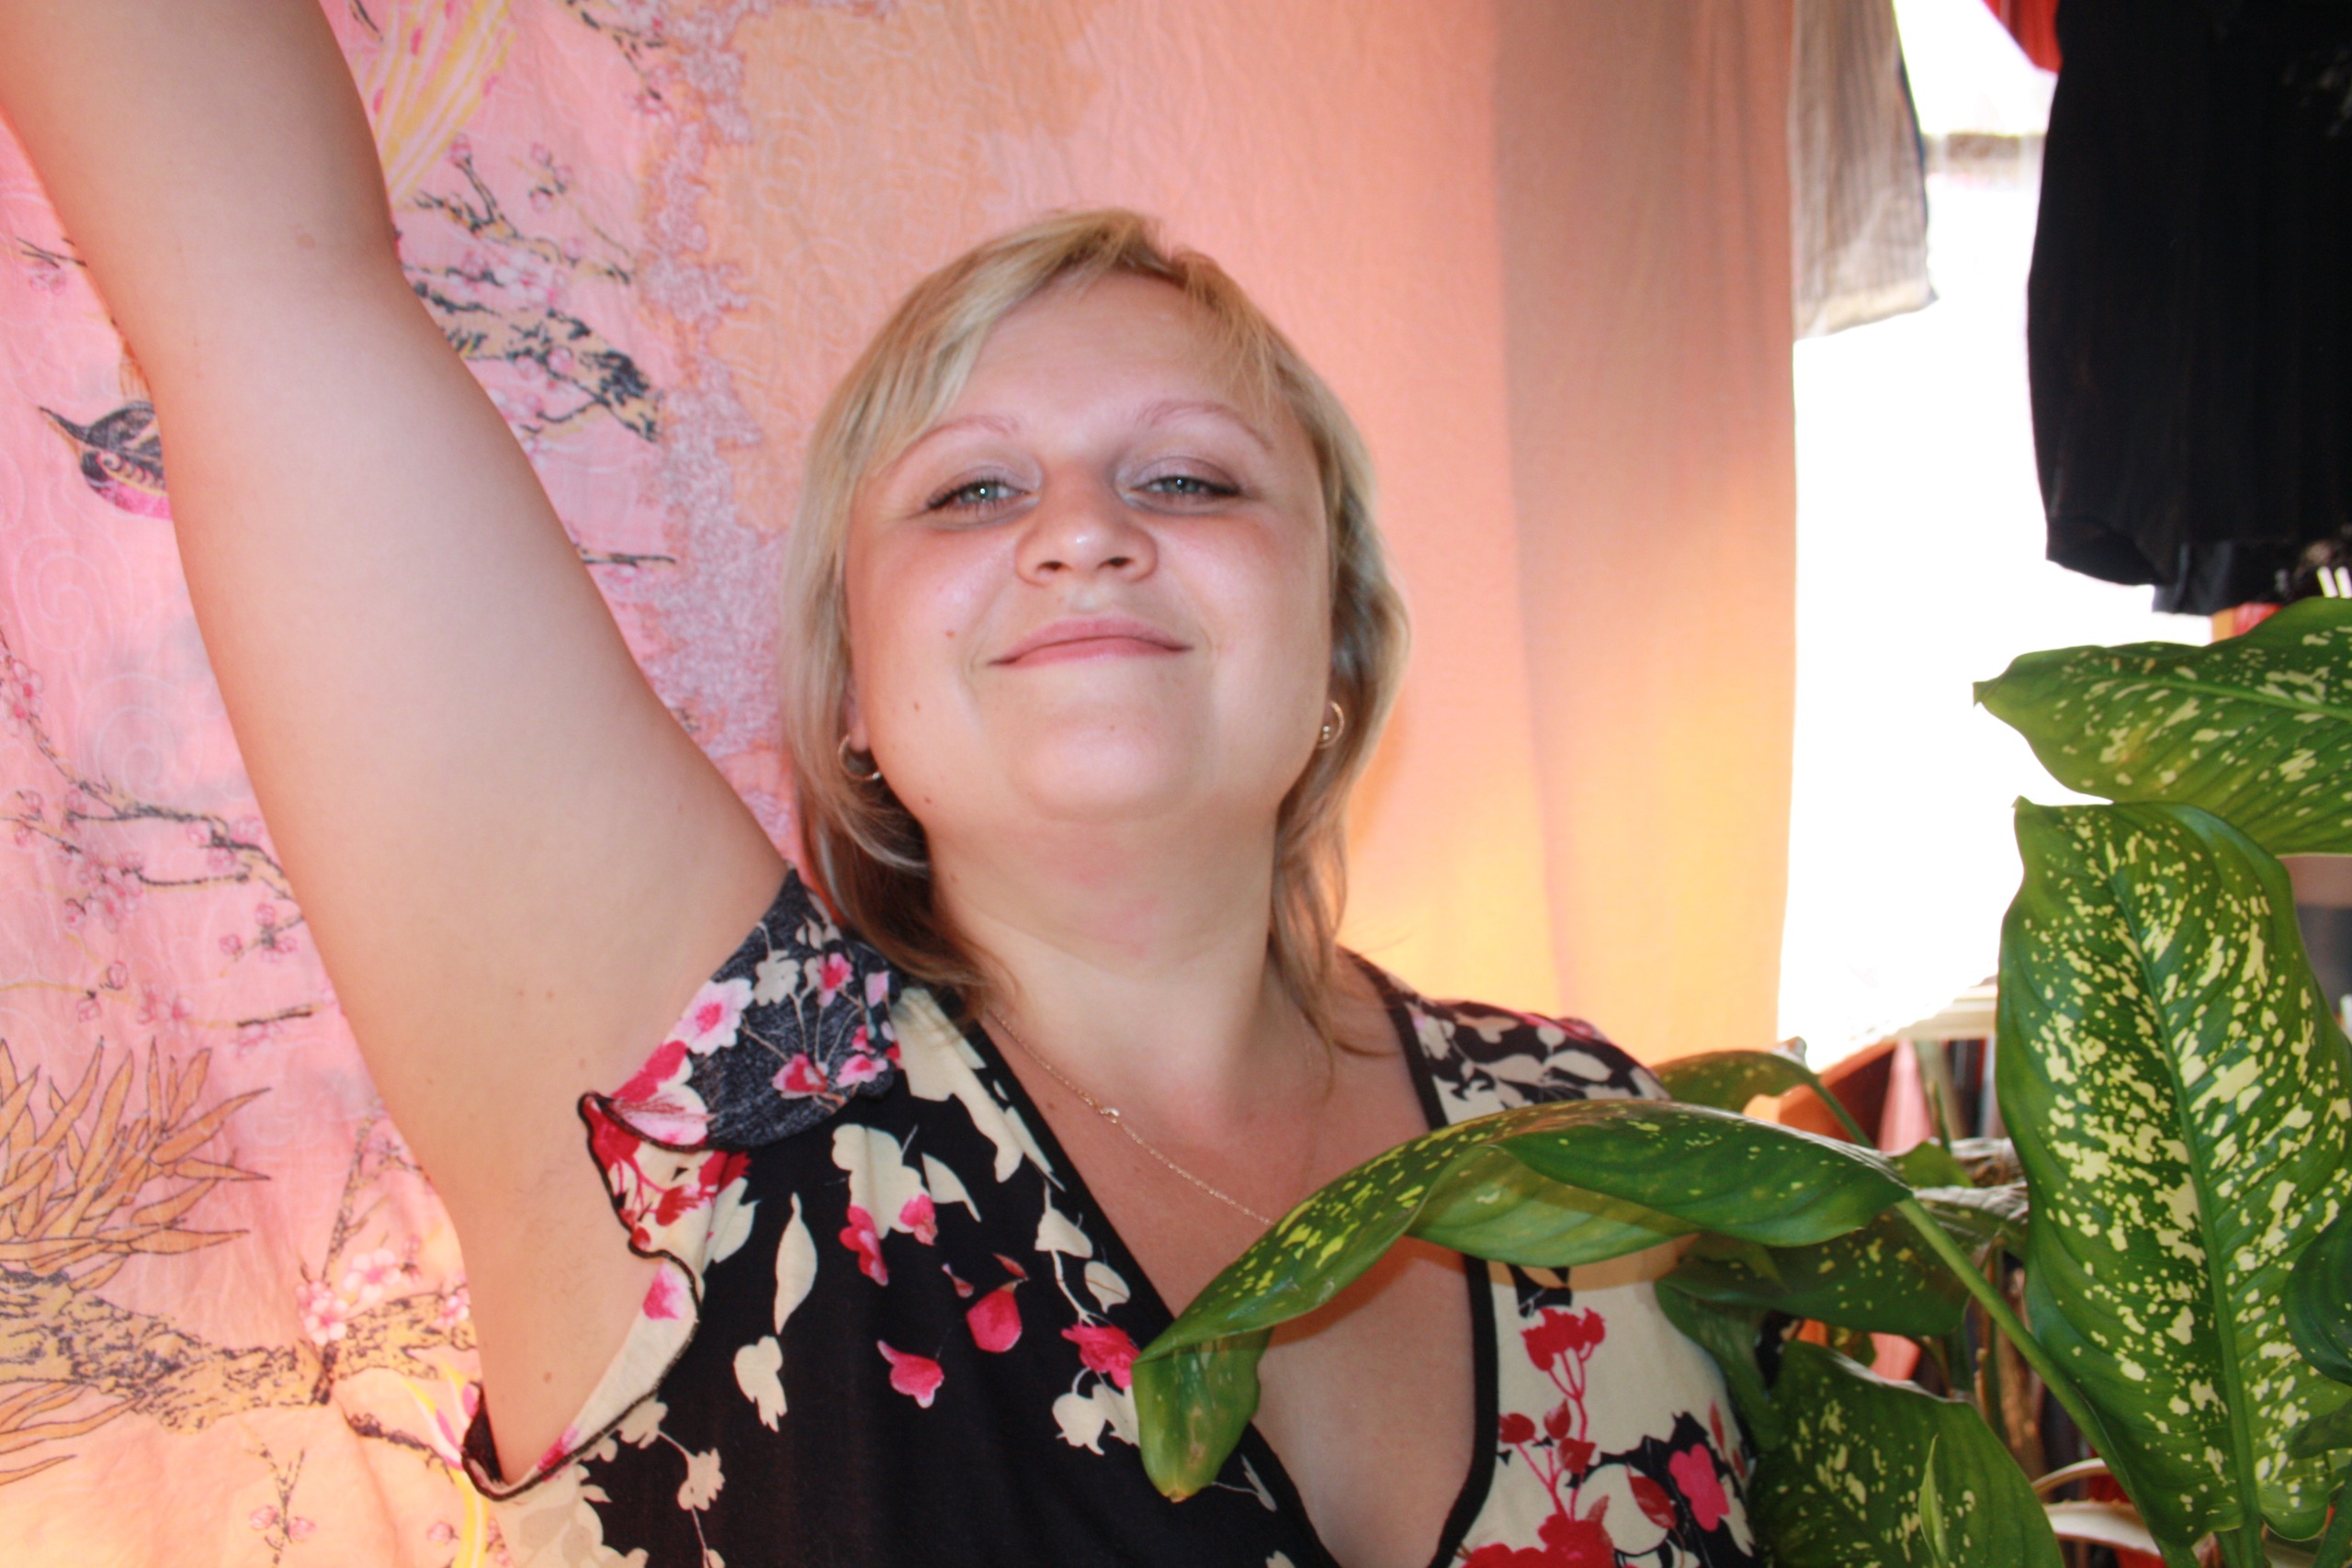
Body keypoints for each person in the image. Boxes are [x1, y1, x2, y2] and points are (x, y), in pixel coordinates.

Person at [0, 5, 1755, 1564]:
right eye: (973, 492)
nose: (1085, 531)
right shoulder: (697, 1113)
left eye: (1192, 478)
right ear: (848, 694)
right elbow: (264, 285)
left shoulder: (1597, 1129)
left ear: (1341, 647)